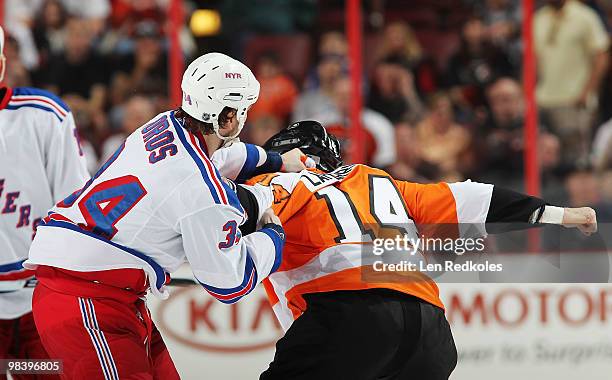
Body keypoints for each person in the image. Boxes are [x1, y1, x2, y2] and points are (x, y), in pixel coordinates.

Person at [234, 121, 597, 380]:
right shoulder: (377, 179)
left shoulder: (279, 179)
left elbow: (238, 206)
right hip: (429, 330)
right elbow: (469, 197)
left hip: (347, 318)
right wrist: (561, 214)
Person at [24, 52, 307, 379]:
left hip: (94, 289)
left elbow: (217, 158)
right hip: (87, 300)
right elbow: (228, 282)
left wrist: (277, 161)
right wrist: (273, 235)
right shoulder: (199, 188)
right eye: (243, 111)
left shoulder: (164, 123)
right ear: (228, 117)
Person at [0, 25, 89, 380]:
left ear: (2, 65)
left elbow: (75, 207)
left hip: (41, 299)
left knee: (45, 373)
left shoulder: (44, 115)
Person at [534, 0, 610, 164]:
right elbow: (533, 59)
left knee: (576, 160)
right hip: (542, 100)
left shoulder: (584, 16)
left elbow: (602, 56)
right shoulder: (538, 18)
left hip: (574, 100)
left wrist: (588, 91)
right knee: (546, 158)